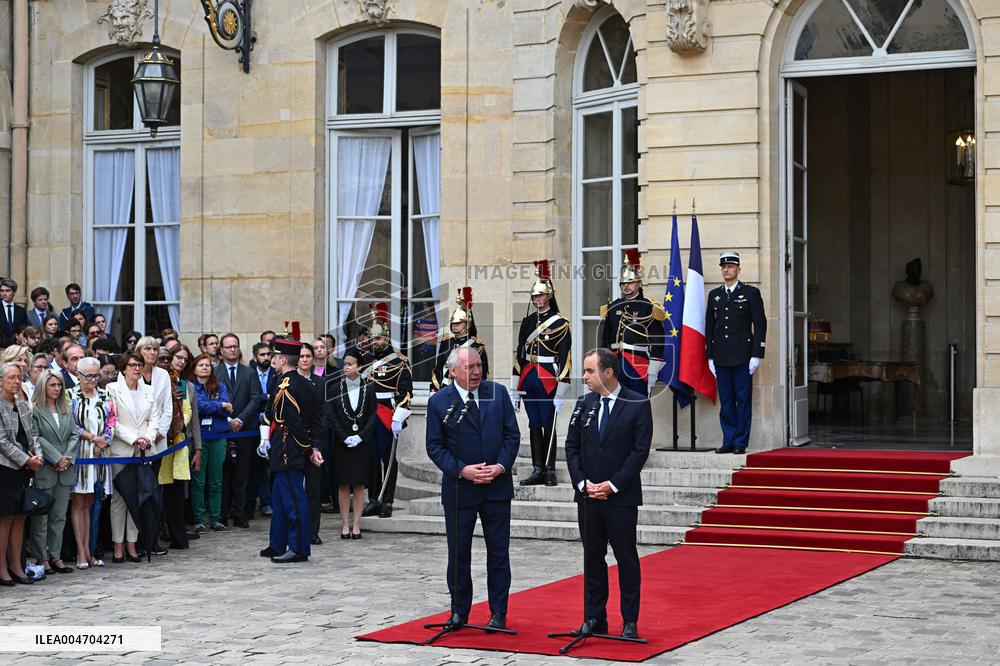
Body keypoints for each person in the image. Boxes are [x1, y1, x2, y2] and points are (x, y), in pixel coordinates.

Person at [425, 347, 519, 631]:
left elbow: (512, 435)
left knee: (499, 553)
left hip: (496, 487)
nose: (477, 372)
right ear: (453, 371)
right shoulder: (439, 401)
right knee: (458, 553)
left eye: (479, 366)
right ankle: (459, 611)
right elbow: (434, 446)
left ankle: (498, 612)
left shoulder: (497, 393)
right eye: (470, 367)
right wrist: (461, 469)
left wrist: (500, 466)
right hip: (460, 489)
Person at [564, 348, 652, 640]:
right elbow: (572, 447)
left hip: (620, 498)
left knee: (626, 559)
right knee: (592, 559)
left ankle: (630, 621)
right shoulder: (584, 403)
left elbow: (639, 451)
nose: (585, 376)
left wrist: (612, 485)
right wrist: (582, 483)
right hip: (588, 496)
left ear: (609, 372)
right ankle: (594, 617)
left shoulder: (637, 403)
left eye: (590, 371)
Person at [257, 338, 324, 563]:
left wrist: (308, 449)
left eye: (276, 357)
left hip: (290, 449)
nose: (273, 360)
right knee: (279, 499)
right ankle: (277, 543)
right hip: (283, 447)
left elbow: (295, 423)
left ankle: (298, 548)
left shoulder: (288, 385)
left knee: (294, 500)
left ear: (283, 360)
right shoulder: (294, 382)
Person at [511, 260, 572, 487]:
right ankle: (537, 468)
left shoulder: (561, 323)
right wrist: (515, 387)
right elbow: (520, 354)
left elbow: (565, 359)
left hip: (548, 379)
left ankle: (550, 469)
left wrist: (561, 390)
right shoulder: (527, 322)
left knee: (549, 423)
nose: (537, 299)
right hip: (529, 377)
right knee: (534, 423)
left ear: (549, 296)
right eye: (534, 296)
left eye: (541, 295)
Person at [706, 251, 767, 455]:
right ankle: (728, 440)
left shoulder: (750, 293)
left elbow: (760, 324)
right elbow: (709, 327)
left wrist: (757, 354)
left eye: (730, 266)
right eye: (723, 267)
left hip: (743, 356)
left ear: (738, 269)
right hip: (721, 356)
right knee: (726, 401)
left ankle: (740, 442)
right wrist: (710, 356)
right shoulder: (715, 295)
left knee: (742, 399)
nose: (726, 269)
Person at [360, 305, 412, 518]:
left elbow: (406, 391)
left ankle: (387, 501)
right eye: (373, 339)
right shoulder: (366, 360)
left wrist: (399, 415)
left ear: (387, 338)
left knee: (388, 458)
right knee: (371, 458)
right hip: (368, 414)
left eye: (379, 338)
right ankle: (374, 499)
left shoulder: (399, 360)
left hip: (388, 413)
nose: (376, 342)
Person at [108, 353, 160, 563]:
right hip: (122, 450)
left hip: (144, 451)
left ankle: (132, 543)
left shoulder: (148, 390)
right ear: (123, 368)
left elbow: (154, 419)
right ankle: (118, 545)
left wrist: (147, 438)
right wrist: (134, 438)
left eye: (139, 365)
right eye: (132, 365)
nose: (137, 369)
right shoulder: (112, 389)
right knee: (120, 499)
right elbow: (113, 421)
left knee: (138, 496)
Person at [599, 249, 666, 398]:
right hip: (615, 363)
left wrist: (652, 372)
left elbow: (658, 341)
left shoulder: (648, 307)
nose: (626, 286)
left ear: (638, 283)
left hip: (638, 365)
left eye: (630, 282)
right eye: (623, 283)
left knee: (637, 403)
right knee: (616, 403)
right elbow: (605, 339)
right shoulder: (613, 307)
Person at [321, 347, 373, 539]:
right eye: (344, 364)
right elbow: (331, 415)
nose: (346, 368)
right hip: (342, 443)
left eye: (350, 364)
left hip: (361, 444)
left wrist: (361, 436)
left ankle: (356, 524)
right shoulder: (335, 388)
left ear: (359, 366)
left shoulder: (369, 387)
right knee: (343, 485)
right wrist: (343, 436)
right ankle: (345, 524)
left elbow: (372, 415)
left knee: (359, 485)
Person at [29, 370, 78, 574]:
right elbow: (36, 437)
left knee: (59, 517)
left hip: (64, 470)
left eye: (59, 385)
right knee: (41, 518)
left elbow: (74, 434)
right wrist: (57, 457)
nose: (57, 389)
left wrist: (66, 458)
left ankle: (56, 556)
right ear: (43, 387)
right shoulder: (35, 410)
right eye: (52, 385)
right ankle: (42, 558)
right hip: (45, 469)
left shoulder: (65, 408)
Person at [68, 356, 115, 569]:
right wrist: (92, 437)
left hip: (101, 453)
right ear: (78, 375)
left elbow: (112, 420)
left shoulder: (105, 395)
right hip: (80, 452)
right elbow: (71, 424)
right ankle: (81, 551)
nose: (93, 380)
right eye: (88, 376)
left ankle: (90, 549)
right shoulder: (70, 395)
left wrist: (104, 440)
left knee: (92, 502)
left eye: (96, 376)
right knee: (79, 502)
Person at [0, 363, 44, 584]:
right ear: (1, 381)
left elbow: (33, 434)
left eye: (19, 377)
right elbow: (2, 441)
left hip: (25, 469)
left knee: (20, 517)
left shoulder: (23, 405)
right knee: (5, 518)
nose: (16, 381)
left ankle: (17, 566)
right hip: (5, 469)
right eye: (11, 377)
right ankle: (2, 569)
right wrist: (26, 460)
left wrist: (38, 456)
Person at [214, 333, 262, 529]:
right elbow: (211, 398)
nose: (233, 349)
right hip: (221, 430)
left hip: (245, 430)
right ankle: (222, 513)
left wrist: (240, 419)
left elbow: (255, 398)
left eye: (235, 346)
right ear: (221, 350)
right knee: (223, 474)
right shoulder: (215, 372)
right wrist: (228, 421)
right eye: (228, 347)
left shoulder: (249, 373)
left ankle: (239, 512)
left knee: (243, 473)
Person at [159, 347, 200, 549]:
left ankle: (177, 534)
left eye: (185, 359)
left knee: (176, 493)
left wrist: (198, 449)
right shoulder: (151, 382)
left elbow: (193, 418)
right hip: (157, 444)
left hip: (179, 444)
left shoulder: (184, 385)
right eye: (165, 358)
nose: (178, 362)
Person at [191, 353, 231, 533]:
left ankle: (215, 519)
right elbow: (197, 407)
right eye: (201, 365)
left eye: (207, 365)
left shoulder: (220, 386)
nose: (205, 368)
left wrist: (220, 406)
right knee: (198, 482)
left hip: (218, 437)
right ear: (194, 369)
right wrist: (219, 405)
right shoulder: (191, 387)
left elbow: (228, 409)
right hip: (199, 439)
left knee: (216, 481)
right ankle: (199, 519)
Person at [432, 287, 490, 391]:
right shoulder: (446, 342)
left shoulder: (476, 345)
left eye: (458, 323)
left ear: (467, 324)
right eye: (453, 323)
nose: (454, 325)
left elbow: (483, 373)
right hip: (446, 389)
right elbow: (438, 369)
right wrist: (434, 391)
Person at [297, 343, 326, 544]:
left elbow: (324, 412)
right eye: (302, 356)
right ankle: (295, 528)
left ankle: (312, 531)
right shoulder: (288, 380)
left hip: (314, 440)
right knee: (294, 488)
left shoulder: (320, 383)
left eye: (308, 356)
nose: (305, 359)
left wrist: (316, 443)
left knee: (314, 489)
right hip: (293, 442)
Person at [247, 342, 275, 518]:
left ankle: (268, 501)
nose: (266, 358)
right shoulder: (249, 374)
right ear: (255, 357)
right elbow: (252, 398)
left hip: (272, 424)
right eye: (262, 355)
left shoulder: (276, 374)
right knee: (254, 466)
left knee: (270, 466)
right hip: (252, 424)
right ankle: (251, 504)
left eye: (268, 354)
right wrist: (265, 397)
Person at [0, 278, 28, 348]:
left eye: (7, 291)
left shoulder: (21, 311)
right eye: (2, 291)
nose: (4, 294)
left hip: (16, 348)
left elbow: (23, 329)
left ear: (14, 292)